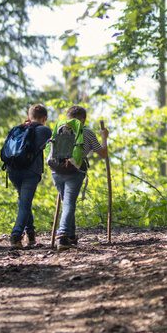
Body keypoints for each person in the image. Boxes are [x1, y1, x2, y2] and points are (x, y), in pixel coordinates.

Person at [48, 105, 108, 249]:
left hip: (56, 170)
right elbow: (103, 153)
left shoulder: (59, 128)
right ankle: (62, 236)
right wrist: (104, 138)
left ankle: (71, 235)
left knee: (67, 202)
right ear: (83, 119)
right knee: (69, 203)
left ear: (68, 117)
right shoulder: (87, 132)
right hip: (74, 171)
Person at [6, 104, 51, 248]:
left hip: (13, 170)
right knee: (25, 203)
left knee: (24, 202)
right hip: (31, 172)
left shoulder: (18, 128)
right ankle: (16, 235)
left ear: (28, 116)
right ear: (44, 118)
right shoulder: (45, 130)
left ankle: (30, 234)